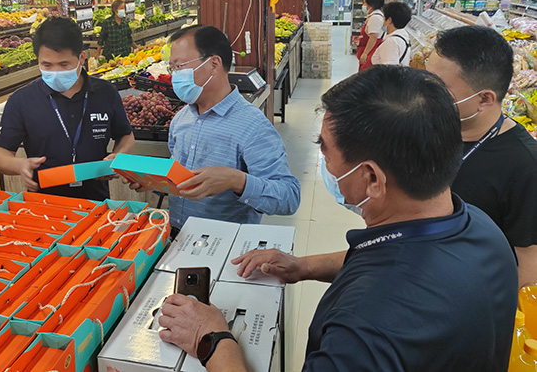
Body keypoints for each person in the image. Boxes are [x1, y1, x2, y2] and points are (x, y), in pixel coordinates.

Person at [158, 66, 518, 371]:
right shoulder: (479, 226)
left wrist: (211, 339)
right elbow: (396, 256)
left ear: (372, 179)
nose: (325, 167)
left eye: (325, 153)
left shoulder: (363, 331)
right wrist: (303, 267)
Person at [127, 25, 300, 229]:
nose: (175, 76)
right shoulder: (181, 119)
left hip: (224, 248)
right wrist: (150, 180)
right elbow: (181, 183)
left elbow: (289, 197)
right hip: (176, 238)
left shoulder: (253, 125)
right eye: (172, 68)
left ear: (214, 64)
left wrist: (238, 181)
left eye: (180, 66)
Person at [426, 25, 537, 287]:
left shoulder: (524, 166)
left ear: (485, 99)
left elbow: (529, 270)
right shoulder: (432, 128)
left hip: (470, 299)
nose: (427, 94)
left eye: (440, 88)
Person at [0, 17, 135, 199]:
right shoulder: (22, 100)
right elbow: (0, 154)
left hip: (96, 200)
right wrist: (20, 165)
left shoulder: (105, 92)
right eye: (47, 65)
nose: (56, 72)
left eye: (64, 64)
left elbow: (126, 135)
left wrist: (117, 156)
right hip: (44, 202)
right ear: (38, 61)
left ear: (81, 58)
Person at [371, 1, 412, 66]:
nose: (382, 19)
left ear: (389, 20)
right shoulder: (403, 35)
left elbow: (389, 70)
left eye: (384, 17)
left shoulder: (391, 42)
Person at [356, 0, 385, 71]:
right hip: (368, 49)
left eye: (364, 3)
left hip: (371, 51)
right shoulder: (373, 16)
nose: (363, 5)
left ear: (370, 5)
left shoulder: (375, 18)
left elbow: (373, 37)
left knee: (366, 74)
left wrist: (365, 54)